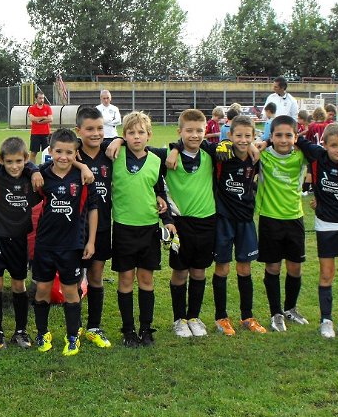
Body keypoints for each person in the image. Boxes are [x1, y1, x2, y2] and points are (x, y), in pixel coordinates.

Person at [105, 111, 174, 347]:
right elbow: (94, 142)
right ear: (124, 135)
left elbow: (159, 191)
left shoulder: (156, 160)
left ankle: (146, 329)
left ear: (149, 135)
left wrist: (166, 217)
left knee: (146, 279)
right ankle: (128, 331)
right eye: (131, 133)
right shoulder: (115, 154)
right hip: (123, 228)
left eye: (141, 133)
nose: (136, 137)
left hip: (149, 228)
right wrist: (117, 140)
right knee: (125, 279)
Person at [32, 128, 98, 356]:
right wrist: (34, 171)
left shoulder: (83, 177)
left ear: (75, 153)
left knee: (71, 290)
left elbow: (93, 209)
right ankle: (42, 333)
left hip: (72, 245)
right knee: (42, 289)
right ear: (50, 151)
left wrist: (91, 241)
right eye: (58, 151)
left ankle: (72, 336)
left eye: (69, 152)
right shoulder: (42, 174)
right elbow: (26, 167)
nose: (63, 156)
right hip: (45, 244)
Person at [297, 122, 338, 339]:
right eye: (334, 145)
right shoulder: (317, 156)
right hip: (325, 225)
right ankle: (326, 320)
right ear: (324, 144)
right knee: (326, 273)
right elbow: (296, 137)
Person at [164, 109, 218, 338]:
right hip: (180, 223)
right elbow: (139, 148)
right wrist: (175, 148)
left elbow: (237, 145)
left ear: (205, 131)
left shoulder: (211, 153)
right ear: (180, 132)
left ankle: (194, 317)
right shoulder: (167, 156)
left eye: (199, 131)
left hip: (207, 221)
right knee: (180, 272)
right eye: (189, 131)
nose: (194, 135)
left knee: (199, 270)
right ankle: (179, 319)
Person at [0, 136, 40, 350]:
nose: (14, 166)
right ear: (1, 160)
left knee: (19, 284)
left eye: (19, 161)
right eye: (9, 161)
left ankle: (20, 330)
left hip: (19, 239)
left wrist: (33, 169)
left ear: (25, 159)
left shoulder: (29, 176)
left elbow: (44, 168)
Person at [255, 115, 309, 332]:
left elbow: (322, 152)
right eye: (278, 135)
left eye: (289, 135)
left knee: (295, 267)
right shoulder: (262, 155)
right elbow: (243, 147)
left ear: (295, 137)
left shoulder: (302, 155)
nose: (283, 140)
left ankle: (290, 309)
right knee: (273, 267)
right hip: (270, 218)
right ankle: (276, 313)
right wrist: (263, 143)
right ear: (271, 136)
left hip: (295, 218)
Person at [210, 115, 260, 336]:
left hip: (246, 219)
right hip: (223, 219)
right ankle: (221, 317)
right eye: (238, 135)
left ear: (253, 136)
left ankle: (247, 316)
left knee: (245, 268)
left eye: (248, 136)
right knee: (222, 267)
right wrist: (222, 143)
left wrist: (258, 146)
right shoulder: (221, 155)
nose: (243, 139)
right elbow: (198, 144)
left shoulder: (255, 158)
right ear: (230, 135)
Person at [75, 106, 115, 349]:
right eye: (89, 129)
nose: (96, 133)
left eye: (100, 128)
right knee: (75, 278)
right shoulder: (72, 153)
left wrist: (119, 139)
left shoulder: (110, 152)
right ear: (78, 130)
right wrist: (80, 166)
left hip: (101, 227)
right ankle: (75, 326)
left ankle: (93, 326)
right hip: (75, 228)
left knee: (96, 276)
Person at [28, 90, 53, 163]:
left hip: (46, 133)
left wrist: (38, 120)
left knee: (47, 152)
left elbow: (50, 119)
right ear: (36, 98)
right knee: (33, 153)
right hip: (35, 134)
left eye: (43, 98)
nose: (42, 100)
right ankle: (32, 167)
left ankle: (46, 167)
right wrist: (44, 117)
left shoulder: (47, 107)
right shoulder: (32, 108)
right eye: (40, 98)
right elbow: (32, 119)